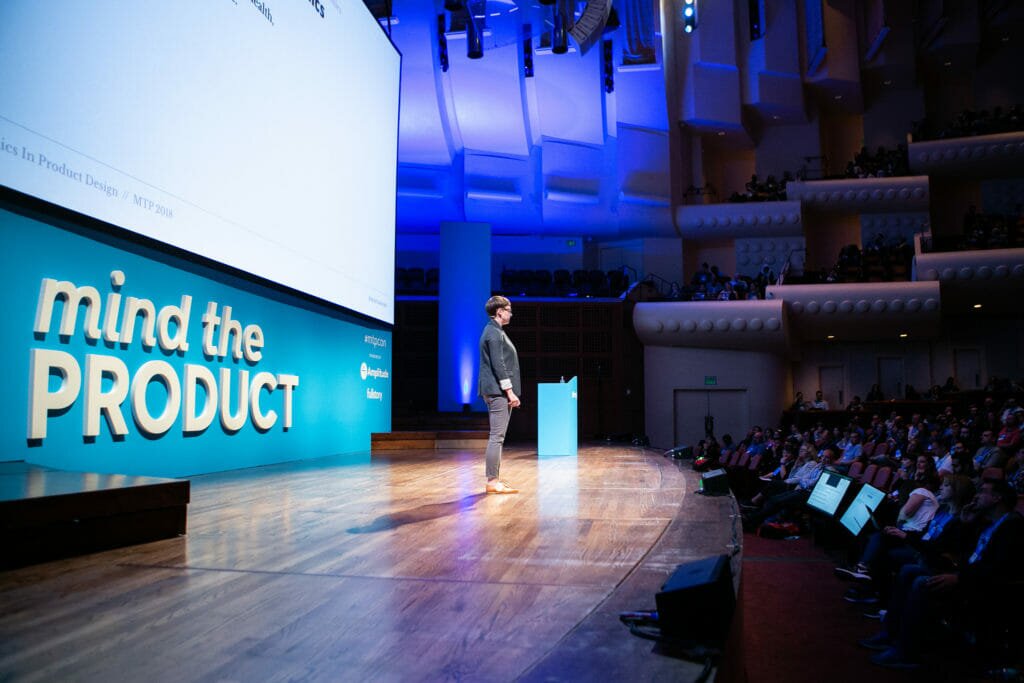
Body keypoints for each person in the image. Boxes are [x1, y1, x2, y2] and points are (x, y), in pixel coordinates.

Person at [478, 295, 521, 494]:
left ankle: (495, 480)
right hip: (497, 391)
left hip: (496, 390)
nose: (511, 313)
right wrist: (510, 392)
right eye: (509, 309)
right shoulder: (494, 333)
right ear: (499, 312)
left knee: (498, 436)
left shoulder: (495, 331)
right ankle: (493, 481)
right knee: (497, 437)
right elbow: (499, 365)